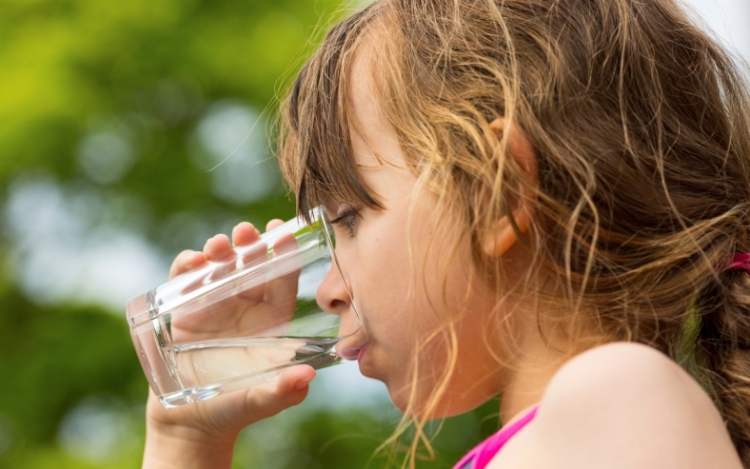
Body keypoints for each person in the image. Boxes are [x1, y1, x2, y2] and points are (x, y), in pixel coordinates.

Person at [141, 0, 750, 467]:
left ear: (497, 194)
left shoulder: (616, 398)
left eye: (349, 217)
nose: (326, 290)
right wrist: (187, 438)